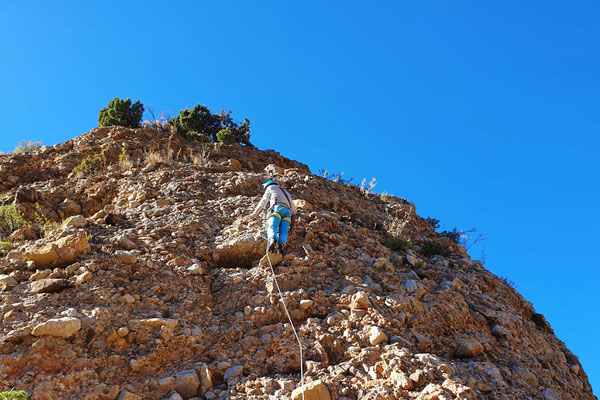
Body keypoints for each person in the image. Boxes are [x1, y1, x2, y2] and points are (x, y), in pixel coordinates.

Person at [248, 180, 297, 255]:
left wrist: (254, 214)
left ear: (266, 186)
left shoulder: (270, 188)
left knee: (272, 227)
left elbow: (263, 202)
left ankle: (273, 239)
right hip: (288, 212)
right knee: (283, 232)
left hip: (277, 209)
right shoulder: (286, 192)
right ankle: (281, 245)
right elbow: (294, 209)